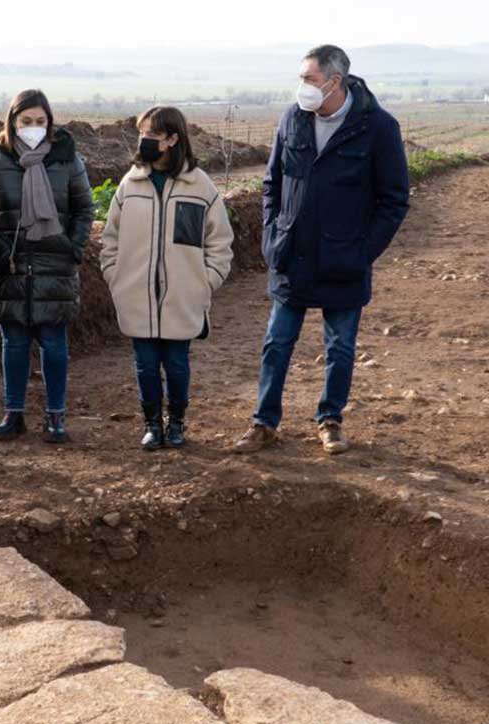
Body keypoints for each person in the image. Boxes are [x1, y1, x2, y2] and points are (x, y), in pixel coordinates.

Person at [232, 45, 410, 456]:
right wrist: (271, 233)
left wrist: (363, 251)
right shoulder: (292, 119)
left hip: (343, 260)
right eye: (301, 79)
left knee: (340, 347)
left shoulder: (377, 127)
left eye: (309, 79)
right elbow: (272, 183)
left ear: (335, 81)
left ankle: (330, 420)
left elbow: (395, 199)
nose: (303, 87)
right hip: (291, 254)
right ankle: (263, 423)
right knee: (277, 344)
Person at [99, 106, 233, 451]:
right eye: (142, 133)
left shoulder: (200, 186)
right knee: (144, 366)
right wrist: (116, 277)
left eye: (152, 135)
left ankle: (176, 423)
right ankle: (151, 425)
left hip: (182, 298)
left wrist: (206, 280)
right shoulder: (130, 184)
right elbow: (110, 238)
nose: (144, 140)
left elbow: (220, 241)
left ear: (173, 139)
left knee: (176, 364)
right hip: (137, 297)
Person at [0, 89, 93, 444]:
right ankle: (14, 414)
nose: (33, 128)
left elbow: (84, 210)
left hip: (54, 264)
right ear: (12, 121)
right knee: (13, 344)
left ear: (50, 122)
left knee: (54, 343)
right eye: (26, 121)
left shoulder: (67, 158)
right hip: (9, 264)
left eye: (40, 122)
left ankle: (55, 416)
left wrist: (72, 248)